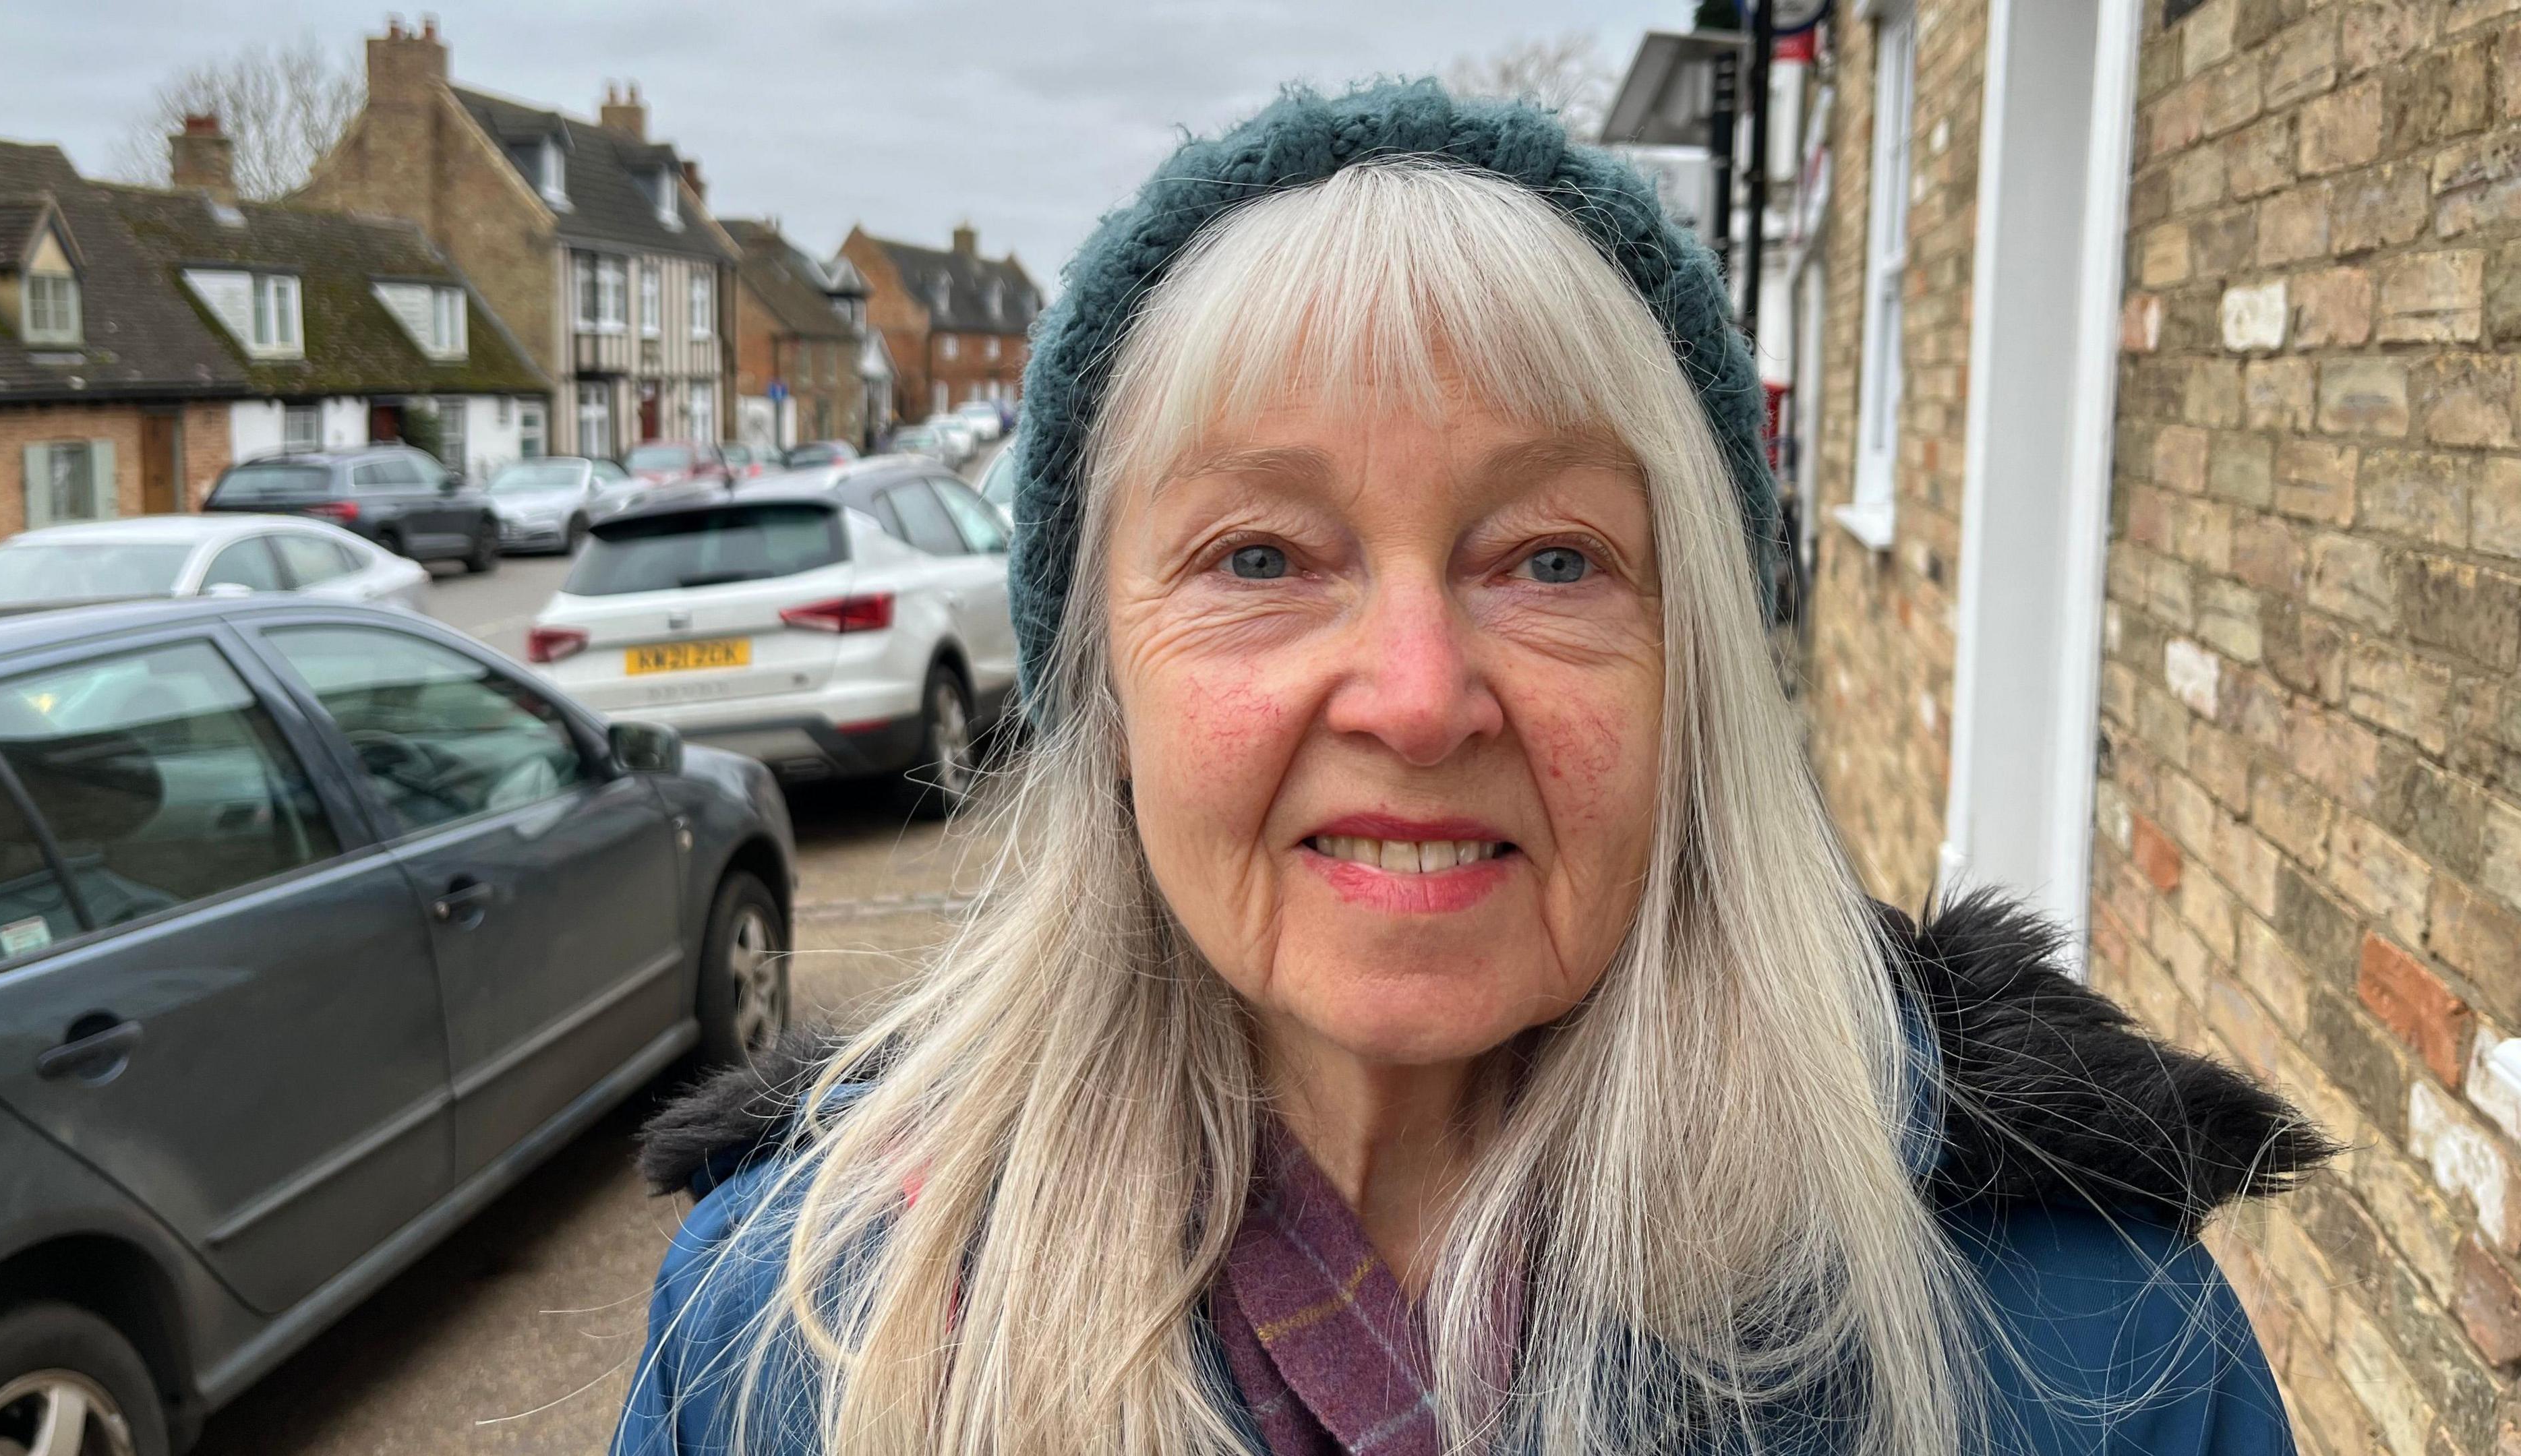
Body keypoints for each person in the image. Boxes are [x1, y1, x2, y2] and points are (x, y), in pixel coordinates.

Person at [611, 81, 2330, 1456]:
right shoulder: (794, 1337)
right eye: (1263, 559)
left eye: (1554, 560)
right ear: (1101, 687)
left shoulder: (2089, 1353)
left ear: (1700, 675)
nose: (1421, 701)